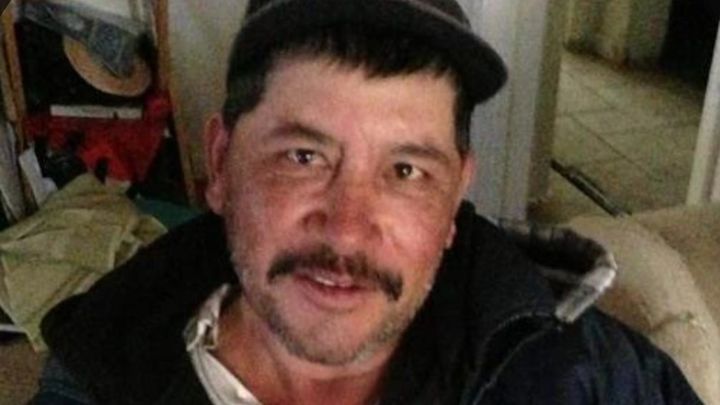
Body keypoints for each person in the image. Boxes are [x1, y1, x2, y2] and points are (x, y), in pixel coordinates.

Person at [32, 0, 702, 404]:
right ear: (221, 165)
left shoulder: (585, 374)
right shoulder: (99, 372)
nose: (348, 230)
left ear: (454, 198)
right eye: (304, 157)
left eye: (406, 170)